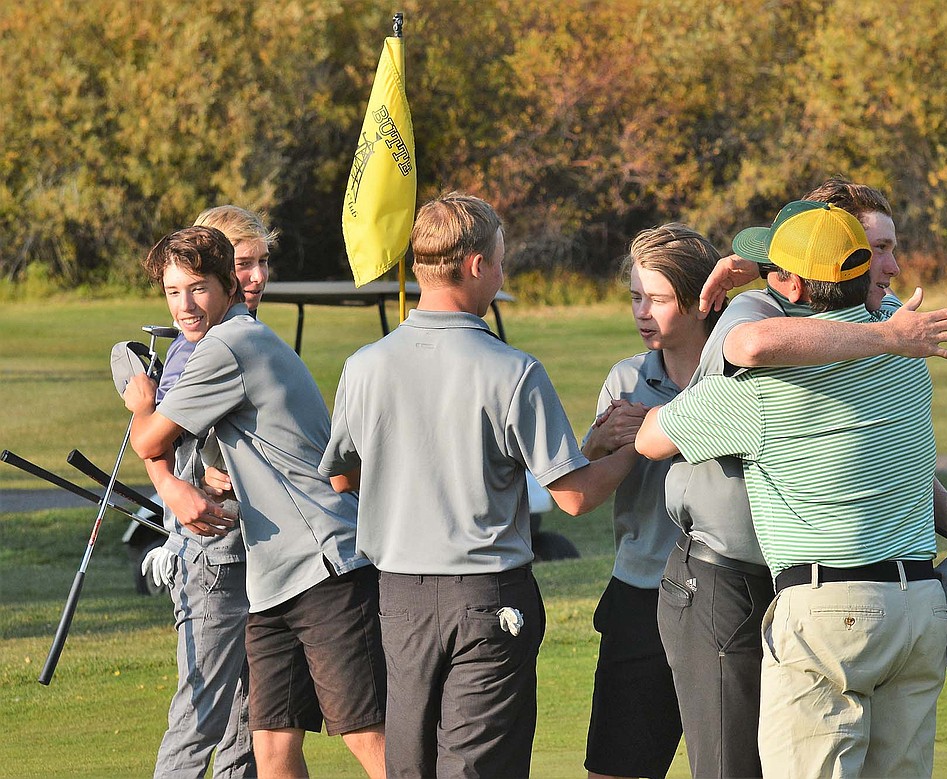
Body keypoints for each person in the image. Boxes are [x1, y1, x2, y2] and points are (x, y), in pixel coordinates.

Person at [654, 179, 947, 779]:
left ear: (793, 286)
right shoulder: (907, 348)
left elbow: (656, 434)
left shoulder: (763, 393)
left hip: (828, 613)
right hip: (918, 609)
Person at [318, 192, 636, 779]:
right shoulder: (512, 370)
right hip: (488, 599)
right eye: (500, 260)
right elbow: (574, 496)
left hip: (398, 599)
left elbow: (342, 475)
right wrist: (638, 447)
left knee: (409, 767)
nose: (501, 273)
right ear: (474, 266)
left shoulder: (364, 366)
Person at [122, 226, 386, 778]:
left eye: (197, 288)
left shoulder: (231, 344)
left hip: (322, 566)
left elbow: (149, 440)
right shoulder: (230, 341)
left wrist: (140, 402)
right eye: (172, 292)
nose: (185, 306)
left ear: (225, 285)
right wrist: (178, 483)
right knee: (270, 746)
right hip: (271, 579)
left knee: (367, 734)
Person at [137, 205, 276, 779]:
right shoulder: (202, 348)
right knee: (200, 723)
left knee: (251, 724)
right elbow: (155, 437)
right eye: (244, 264)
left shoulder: (239, 337)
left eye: (263, 262)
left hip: (257, 556)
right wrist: (179, 480)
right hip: (213, 557)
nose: (258, 278)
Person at [580, 224, 721, 779]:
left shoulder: (746, 375)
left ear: (701, 300)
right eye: (636, 297)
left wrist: (672, 429)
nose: (642, 312)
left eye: (657, 299)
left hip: (727, 595)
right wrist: (595, 442)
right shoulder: (626, 378)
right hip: (640, 596)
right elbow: (583, 491)